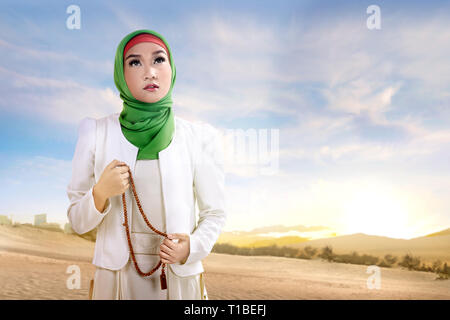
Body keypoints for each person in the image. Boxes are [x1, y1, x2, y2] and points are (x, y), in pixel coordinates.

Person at [66, 29, 226, 300]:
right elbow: (77, 221)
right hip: (115, 283)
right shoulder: (95, 132)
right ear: (121, 72)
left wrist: (192, 248)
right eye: (135, 62)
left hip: (178, 281)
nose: (150, 72)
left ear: (172, 68)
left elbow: (214, 213)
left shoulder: (200, 138)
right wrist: (100, 193)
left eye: (159, 60)